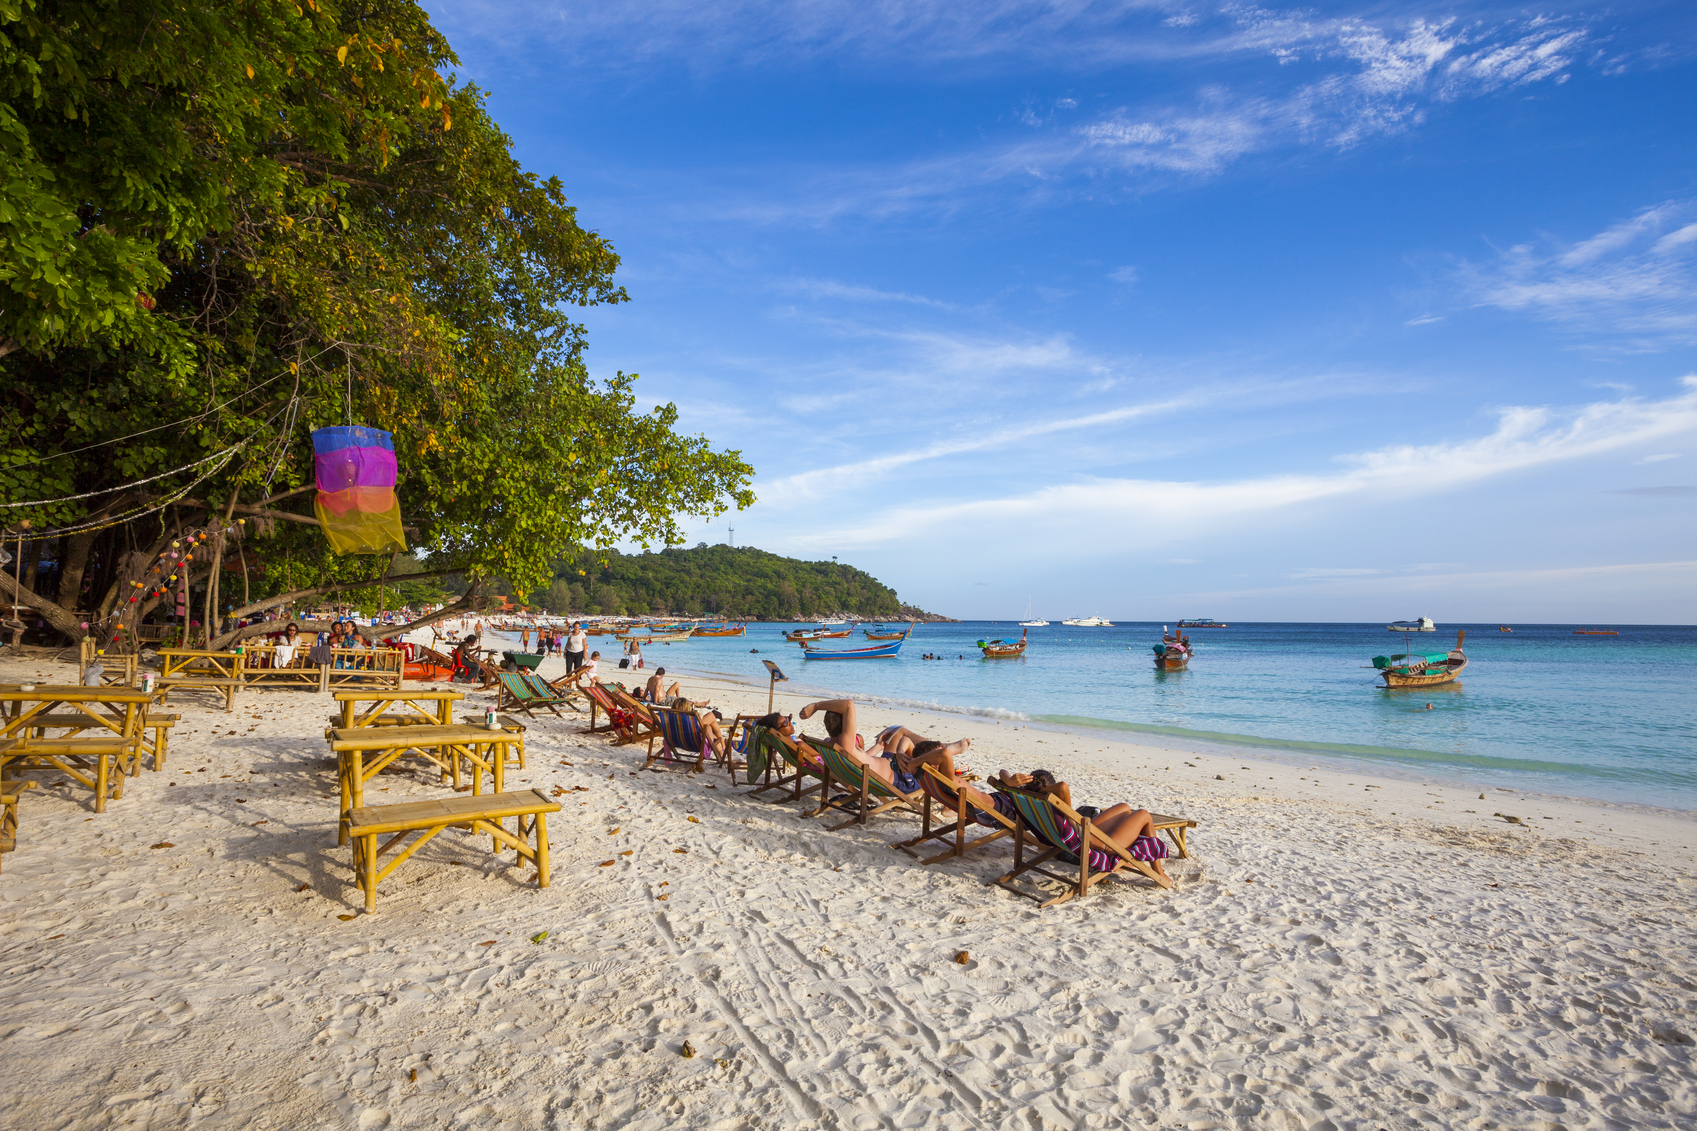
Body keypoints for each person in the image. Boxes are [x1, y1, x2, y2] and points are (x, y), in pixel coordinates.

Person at [992, 769, 1171, 881]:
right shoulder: (1052, 801)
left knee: (1125, 808)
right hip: (1093, 843)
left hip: (1083, 831)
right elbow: (1062, 786)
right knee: (1144, 815)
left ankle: (1135, 854)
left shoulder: (1027, 798)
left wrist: (1009, 780)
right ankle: (1158, 873)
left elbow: (1001, 772)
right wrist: (1044, 791)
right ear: (1049, 787)